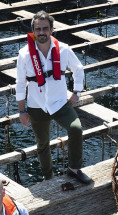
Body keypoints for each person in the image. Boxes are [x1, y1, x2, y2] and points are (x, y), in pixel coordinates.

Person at [15, 11, 92, 184]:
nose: (42, 33)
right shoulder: (24, 54)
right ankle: (48, 177)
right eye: (38, 29)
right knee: (42, 144)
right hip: (36, 105)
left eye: (45, 29)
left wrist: (76, 92)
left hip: (59, 102)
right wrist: (22, 110)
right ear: (33, 31)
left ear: (51, 30)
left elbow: (78, 69)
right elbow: (20, 84)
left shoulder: (63, 49)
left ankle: (74, 169)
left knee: (76, 129)